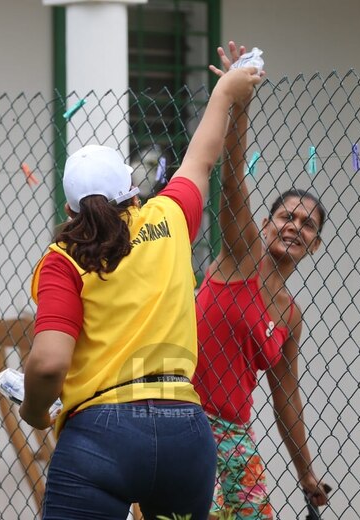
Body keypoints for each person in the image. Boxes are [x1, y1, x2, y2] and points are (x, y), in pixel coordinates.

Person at [19, 64, 263, 520]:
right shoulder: (168, 219)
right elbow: (202, 158)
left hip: (101, 432)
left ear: (70, 207)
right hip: (185, 433)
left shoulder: (64, 257)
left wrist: (34, 410)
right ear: (133, 190)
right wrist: (227, 91)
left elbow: (50, 361)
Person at [194, 42, 331, 519]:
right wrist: (238, 104)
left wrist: (306, 474)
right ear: (268, 225)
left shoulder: (291, 315)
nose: (295, 225)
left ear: (314, 245)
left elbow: (285, 395)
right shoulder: (242, 255)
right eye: (286, 216)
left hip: (233, 434)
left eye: (307, 224)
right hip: (182, 419)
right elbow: (232, 183)